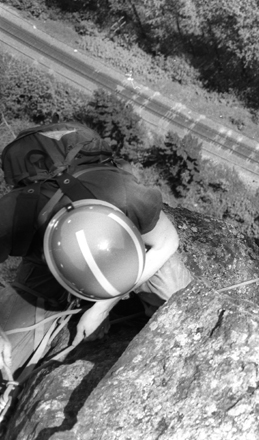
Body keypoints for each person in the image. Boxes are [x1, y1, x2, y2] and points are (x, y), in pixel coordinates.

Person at [0, 123, 193, 380]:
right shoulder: (18, 209)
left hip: (132, 251)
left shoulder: (121, 193)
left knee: (183, 308)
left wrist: (101, 307)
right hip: (45, 271)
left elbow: (166, 242)